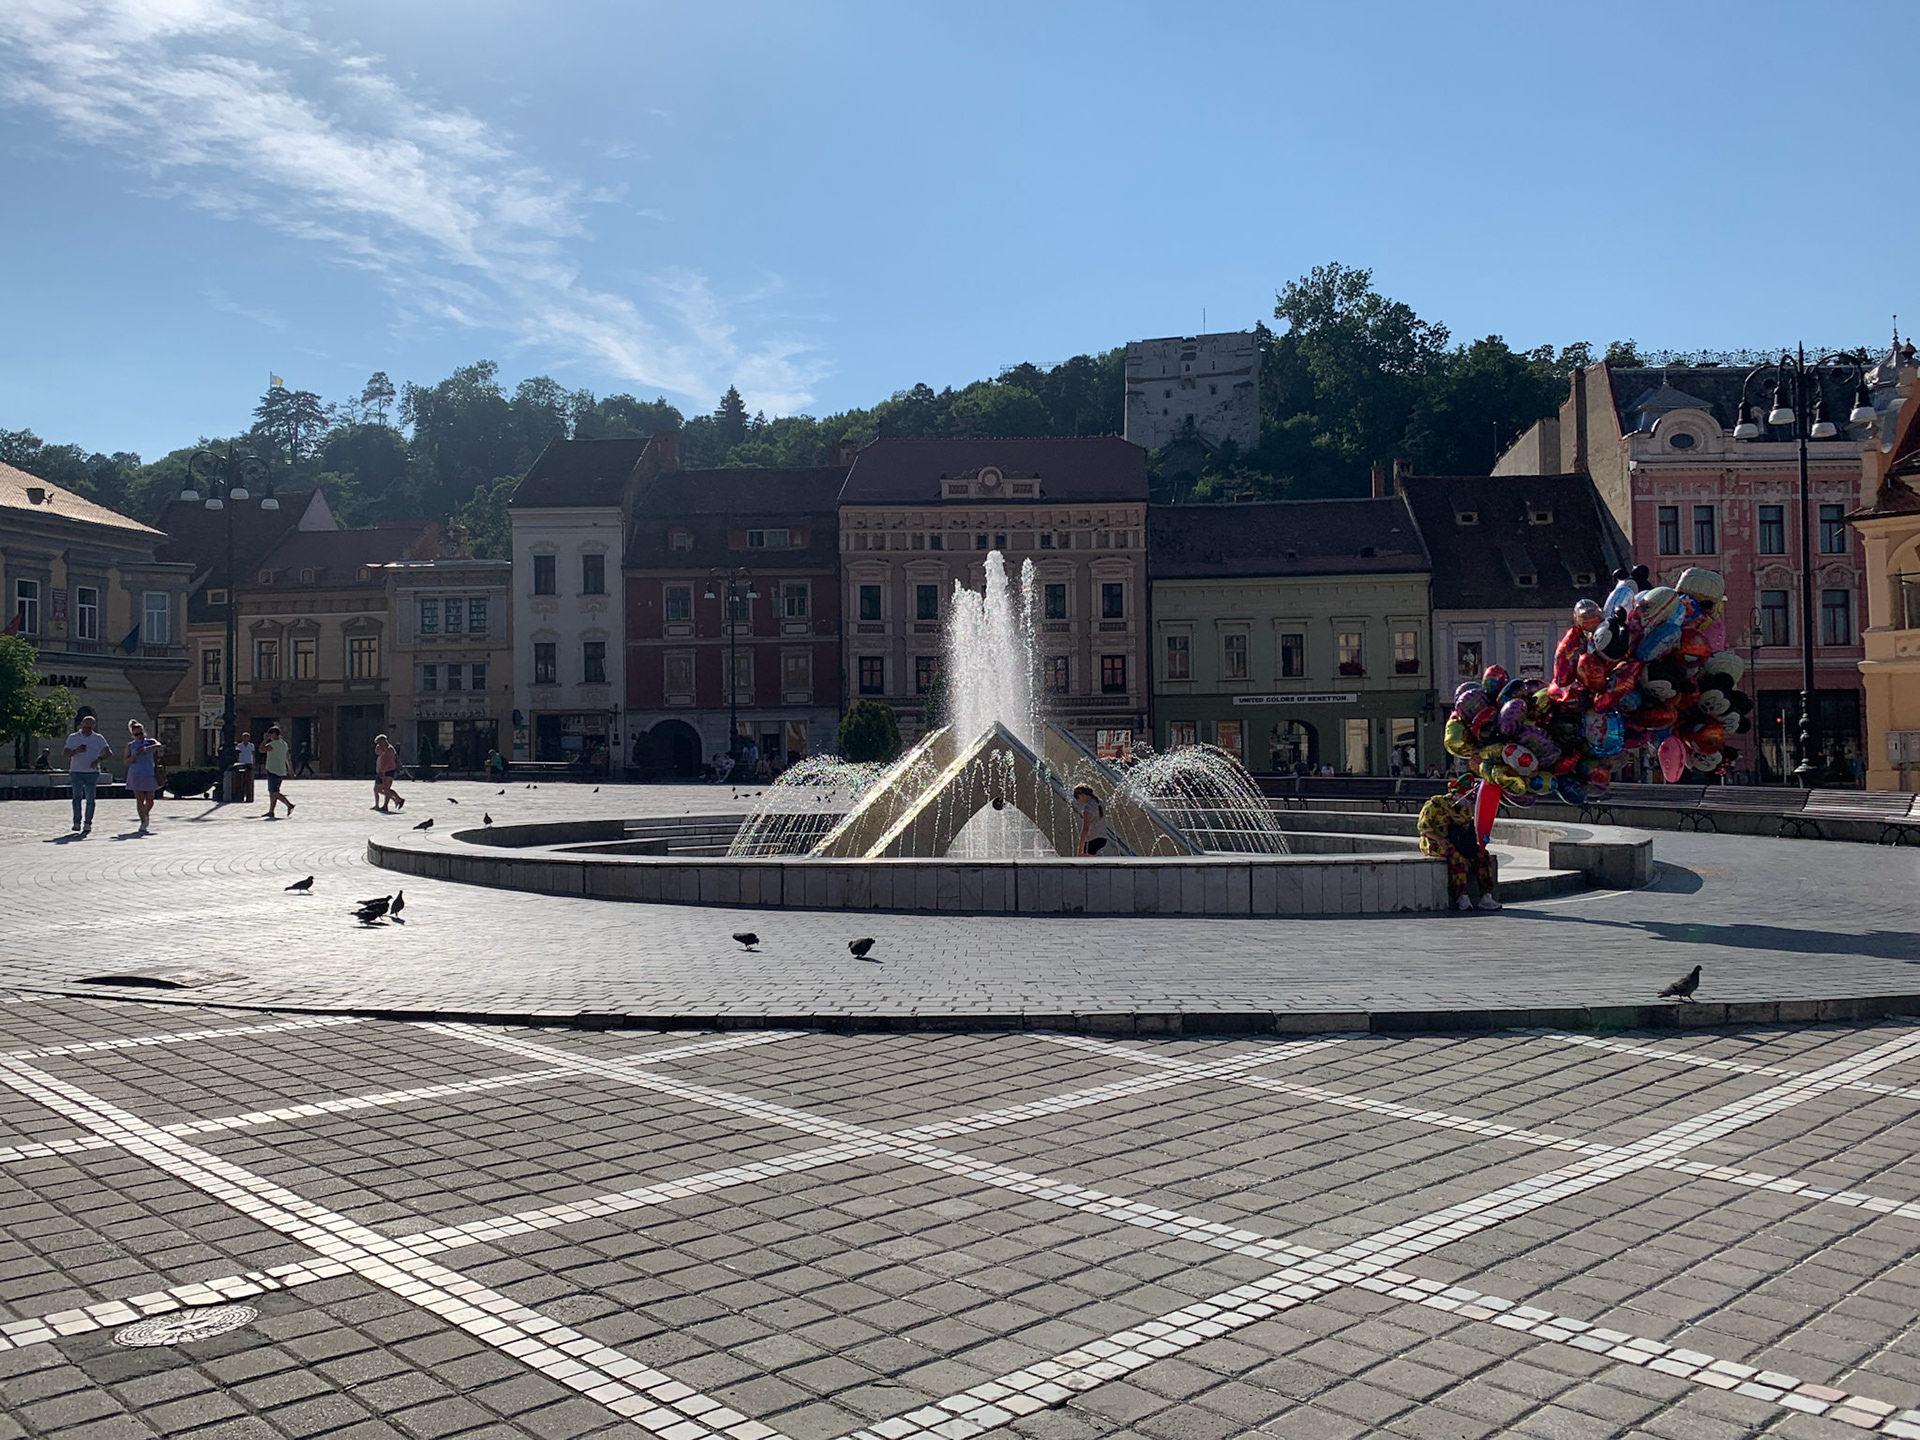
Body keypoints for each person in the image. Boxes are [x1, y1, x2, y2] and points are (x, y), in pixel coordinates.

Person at [1417, 783, 1499, 912]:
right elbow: (1423, 827)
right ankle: (1462, 896)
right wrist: (1439, 838)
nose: (1469, 801)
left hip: (1460, 841)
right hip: (1435, 841)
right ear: (1457, 794)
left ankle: (1486, 896)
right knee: (1456, 858)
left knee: (1483, 855)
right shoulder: (1435, 804)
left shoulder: (1464, 809)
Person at [62, 712, 110, 835]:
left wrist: (99, 759)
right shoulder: (73, 737)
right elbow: (65, 753)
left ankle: (88, 823)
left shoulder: (98, 738)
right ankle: (76, 822)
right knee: (76, 797)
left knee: (90, 798)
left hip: (92, 772)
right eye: (85, 727)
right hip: (76, 771)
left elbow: (108, 752)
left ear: (93, 726)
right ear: (81, 725)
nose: (86, 730)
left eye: (89, 727)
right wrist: (76, 751)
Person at [124, 720, 161, 835]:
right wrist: (135, 755)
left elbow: (158, 746)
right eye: (136, 734)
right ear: (132, 735)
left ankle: (145, 813)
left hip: (149, 773)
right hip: (136, 774)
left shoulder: (149, 742)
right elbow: (126, 761)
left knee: (150, 799)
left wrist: (145, 749)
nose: (139, 736)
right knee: (140, 799)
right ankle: (143, 822)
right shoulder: (130, 745)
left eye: (141, 733)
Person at [261, 725, 295, 818]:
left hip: (272, 769)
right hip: (281, 770)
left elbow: (261, 749)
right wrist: (290, 769)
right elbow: (287, 758)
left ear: (275, 734)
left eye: (270, 734)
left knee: (273, 792)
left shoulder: (272, 744)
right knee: (274, 792)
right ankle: (271, 811)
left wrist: (265, 740)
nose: (270, 736)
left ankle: (289, 805)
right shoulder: (284, 744)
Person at [1072, 784, 1110, 856]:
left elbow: (1085, 828)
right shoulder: (1100, 802)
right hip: (1103, 838)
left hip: (1092, 839)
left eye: (1077, 798)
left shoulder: (1088, 807)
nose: (1078, 802)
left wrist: (1080, 847)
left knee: (1084, 861)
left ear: (1081, 795)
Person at [373, 734, 405, 812]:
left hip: (390, 770)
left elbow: (388, 761)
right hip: (381, 771)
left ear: (384, 741)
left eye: (380, 742)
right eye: (378, 743)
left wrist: (383, 771)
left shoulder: (390, 749)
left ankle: (385, 806)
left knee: (386, 788)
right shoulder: (379, 748)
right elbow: (377, 753)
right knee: (378, 789)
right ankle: (398, 799)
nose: (379, 744)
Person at [233, 731, 256, 804]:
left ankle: (249, 795)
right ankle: (240, 794)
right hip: (241, 762)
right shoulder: (239, 746)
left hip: (249, 762)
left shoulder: (251, 745)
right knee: (240, 779)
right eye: (244, 737)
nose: (246, 738)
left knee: (249, 779)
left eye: (247, 737)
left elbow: (253, 754)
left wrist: (253, 763)